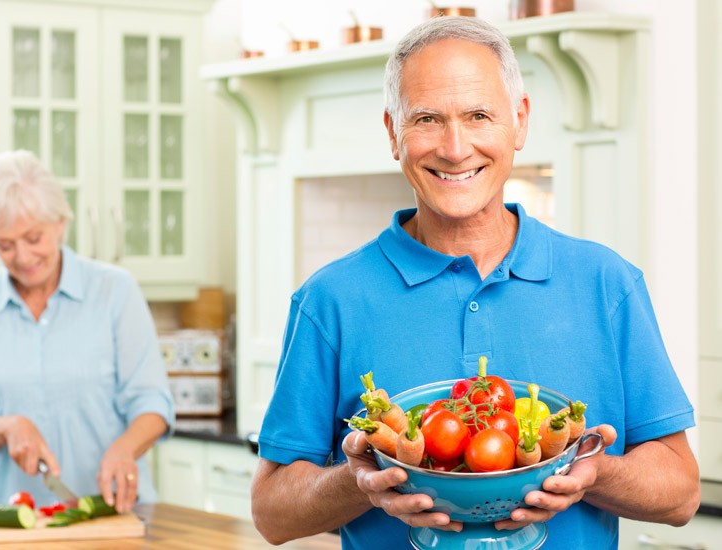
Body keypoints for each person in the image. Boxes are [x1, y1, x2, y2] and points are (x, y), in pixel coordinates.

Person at [250, 16, 700, 550]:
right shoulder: (330, 300)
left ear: (520, 121)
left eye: (479, 115)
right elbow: (272, 513)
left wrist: (593, 473)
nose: (456, 147)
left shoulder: (607, 283)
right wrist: (360, 482)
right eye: (427, 120)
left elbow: (681, 493)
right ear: (394, 133)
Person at [0, 150, 174, 512]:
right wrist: (7, 427)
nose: (22, 257)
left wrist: (125, 448)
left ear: (60, 222)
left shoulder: (115, 291)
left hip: (113, 514)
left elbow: (153, 404)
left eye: (33, 237)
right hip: (13, 522)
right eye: (5, 246)